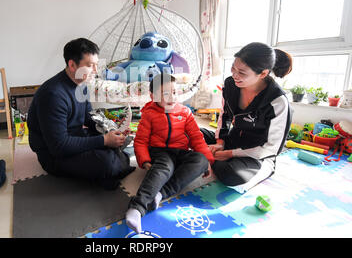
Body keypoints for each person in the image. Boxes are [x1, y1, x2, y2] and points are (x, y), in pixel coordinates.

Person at [27, 38, 135, 190]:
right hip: (53, 154)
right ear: (72, 65)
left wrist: (111, 130)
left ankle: (112, 162)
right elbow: (59, 146)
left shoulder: (82, 84)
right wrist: (104, 140)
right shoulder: (53, 95)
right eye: (90, 65)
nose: (96, 71)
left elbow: (88, 117)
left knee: (118, 142)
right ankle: (112, 164)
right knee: (107, 162)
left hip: (75, 137)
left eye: (96, 65)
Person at [125, 73, 215, 234]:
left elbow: (196, 137)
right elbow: (140, 141)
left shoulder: (185, 112)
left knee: (200, 160)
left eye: (174, 92)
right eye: (165, 93)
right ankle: (137, 208)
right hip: (159, 152)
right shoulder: (149, 113)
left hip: (180, 151)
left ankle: (160, 194)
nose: (171, 97)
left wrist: (207, 159)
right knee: (165, 168)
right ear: (153, 96)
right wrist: (144, 160)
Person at [201, 42, 293, 194]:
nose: (234, 75)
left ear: (263, 74)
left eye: (242, 73)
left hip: (257, 155)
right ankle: (209, 155)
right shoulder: (230, 84)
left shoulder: (277, 101)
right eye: (233, 68)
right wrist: (220, 142)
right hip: (231, 141)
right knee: (188, 131)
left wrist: (230, 154)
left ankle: (205, 156)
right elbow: (224, 116)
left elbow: (271, 148)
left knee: (231, 175)